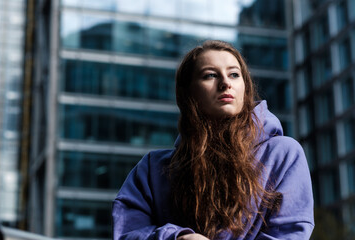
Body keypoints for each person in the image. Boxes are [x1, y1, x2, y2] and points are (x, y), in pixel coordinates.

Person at [112, 40, 314, 240]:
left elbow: (290, 234)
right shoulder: (152, 168)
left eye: (234, 74)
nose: (226, 83)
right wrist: (178, 238)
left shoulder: (283, 154)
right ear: (188, 93)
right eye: (210, 75)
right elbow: (127, 232)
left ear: (245, 87)